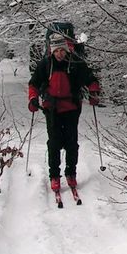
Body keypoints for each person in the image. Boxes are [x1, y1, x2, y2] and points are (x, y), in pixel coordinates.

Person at [28, 32, 101, 192]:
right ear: (51, 51)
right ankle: (54, 175)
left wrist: (94, 91)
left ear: (66, 49)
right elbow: (33, 83)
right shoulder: (45, 65)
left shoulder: (75, 64)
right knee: (54, 143)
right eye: (56, 51)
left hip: (71, 108)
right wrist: (33, 99)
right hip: (51, 109)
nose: (59, 54)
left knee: (71, 143)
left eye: (62, 50)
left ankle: (71, 173)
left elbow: (91, 78)